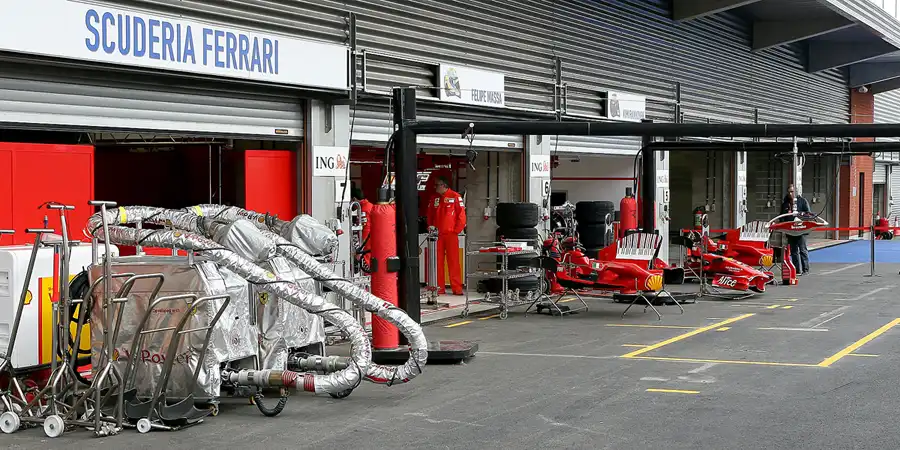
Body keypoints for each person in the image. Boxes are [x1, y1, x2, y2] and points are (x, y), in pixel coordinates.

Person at [426, 177, 467, 295]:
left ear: (443, 185)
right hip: (437, 235)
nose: (435, 187)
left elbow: (461, 215)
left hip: (451, 235)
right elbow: (430, 214)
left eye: (437, 185)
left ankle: (457, 288)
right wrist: (429, 226)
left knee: (453, 261)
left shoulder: (455, 197)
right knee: (436, 262)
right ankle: (439, 287)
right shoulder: (434, 198)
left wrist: (456, 230)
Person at [781, 184, 810, 276]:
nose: (790, 193)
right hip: (790, 231)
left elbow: (808, 215)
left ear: (796, 192)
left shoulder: (802, 201)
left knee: (802, 250)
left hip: (801, 230)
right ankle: (797, 270)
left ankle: (805, 269)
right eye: (789, 191)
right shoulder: (785, 203)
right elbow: (782, 217)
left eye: (792, 191)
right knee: (793, 251)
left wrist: (801, 218)